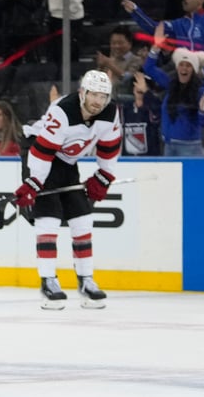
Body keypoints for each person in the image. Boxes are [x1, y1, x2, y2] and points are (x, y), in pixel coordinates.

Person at [15, 70, 121, 309]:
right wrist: (33, 183)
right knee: (49, 217)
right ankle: (48, 281)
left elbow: (109, 146)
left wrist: (104, 175)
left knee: (82, 217)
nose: (98, 101)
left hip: (66, 161)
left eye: (103, 96)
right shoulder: (63, 111)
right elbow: (43, 151)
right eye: (93, 94)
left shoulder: (110, 113)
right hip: (38, 152)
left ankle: (86, 281)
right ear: (83, 92)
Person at [122, 0, 204, 155]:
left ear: (201, 0)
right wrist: (136, 11)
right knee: (197, 122)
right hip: (189, 85)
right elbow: (156, 29)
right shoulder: (179, 24)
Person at [142, 35, 204, 157]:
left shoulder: (200, 91)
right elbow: (148, 68)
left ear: (194, 70)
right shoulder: (170, 84)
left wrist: (203, 111)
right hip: (168, 145)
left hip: (189, 147)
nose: (184, 68)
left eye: (188, 65)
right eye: (181, 64)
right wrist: (155, 48)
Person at [121, 72, 163, 157]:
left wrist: (146, 92)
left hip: (150, 160)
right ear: (133, 88)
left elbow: (157, 111)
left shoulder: (152, 107)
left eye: (144, 85)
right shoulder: (125, 109)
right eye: (137, 84)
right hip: (128, 161)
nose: (140, 88)